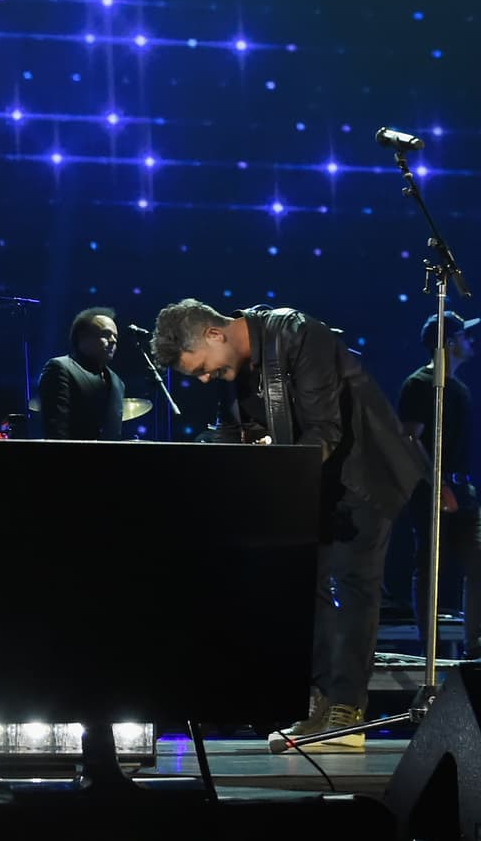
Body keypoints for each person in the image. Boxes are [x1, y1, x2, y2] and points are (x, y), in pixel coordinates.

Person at [151, 299, 424, 752]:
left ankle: (347, 710)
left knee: (352, 583)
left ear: (214, 335)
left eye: (201, 367)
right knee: (302, 587)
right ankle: (317, 705)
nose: (203, 378)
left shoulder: (298, 334)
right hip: (311, 484)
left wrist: (274, 475)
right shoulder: (234, 367)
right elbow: (238, 430)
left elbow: (324, 430)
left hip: (362, 476)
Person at [397, 310, 481, 658]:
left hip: (463, 490)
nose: (470, 341)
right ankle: (428, 646)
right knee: (430, 564)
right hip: (432, 490)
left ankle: (473, 644)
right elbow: (410, 439)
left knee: (477, 559)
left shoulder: (458, 387)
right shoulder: (419, 384)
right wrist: (438, 485)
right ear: (449, 343)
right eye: (463, 336)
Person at [36, 306, 125, 440]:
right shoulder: (60, 368)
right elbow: (56, 429)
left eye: (115, 336)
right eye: (106, 334)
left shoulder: (117, 382)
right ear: (83, 337)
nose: (113, 340)